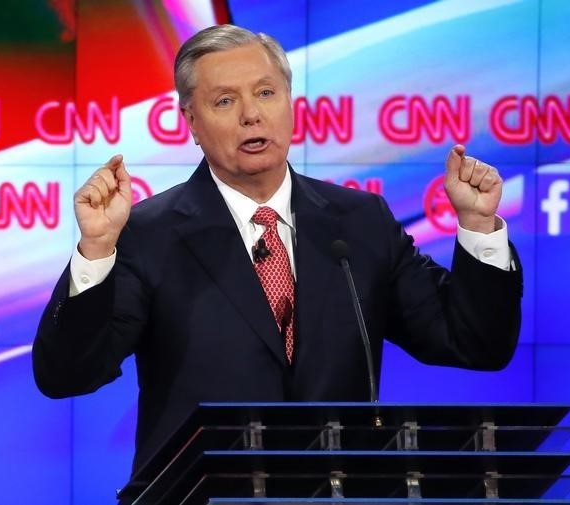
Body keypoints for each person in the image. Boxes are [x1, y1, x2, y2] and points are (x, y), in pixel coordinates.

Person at [32, 24, 522, 503]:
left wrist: (478, 227)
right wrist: (96, 249)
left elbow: (475, 343)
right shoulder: (148, 233)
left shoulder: (359, 223)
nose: (251, 115)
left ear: (290, 104)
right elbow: (67, 375)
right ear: (192, 123)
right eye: (224, 101)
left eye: (266, 93)